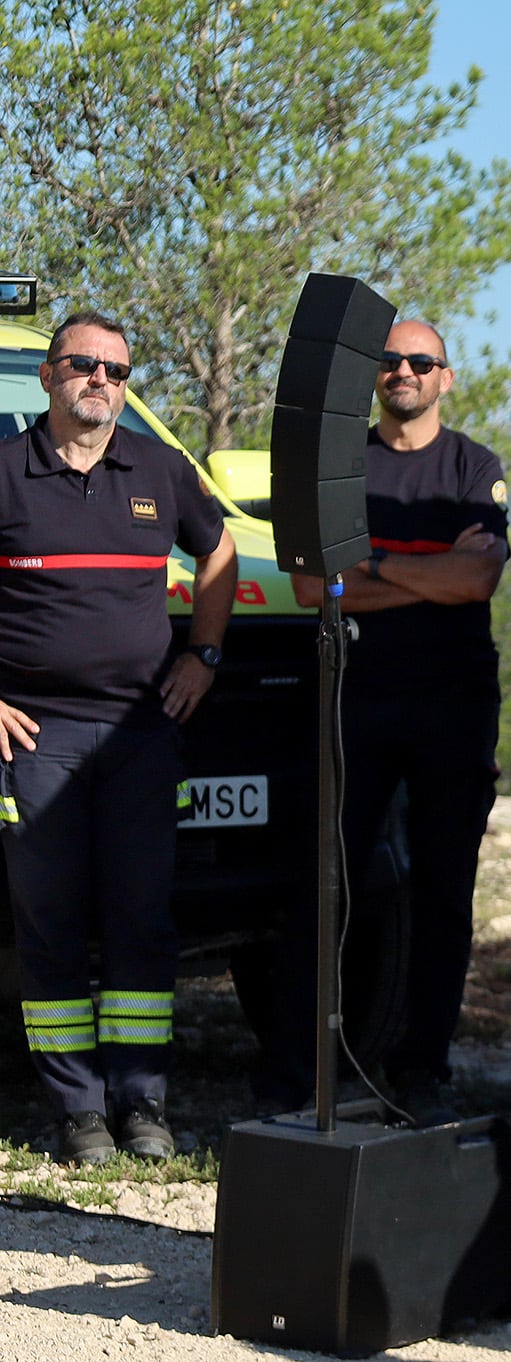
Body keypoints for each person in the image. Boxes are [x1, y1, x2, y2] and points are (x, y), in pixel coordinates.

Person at [0, 311, 236, 1162]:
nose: (101, 381)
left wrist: (203, 656)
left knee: (141, 919)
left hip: (142, 732)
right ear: (48, 377)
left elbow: (219, 556)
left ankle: (143, 1108)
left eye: (118, 371)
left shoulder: (162, 469)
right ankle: (78, 1113)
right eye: (83, 366)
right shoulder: (5, 472)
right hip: (38, 739)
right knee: (51, 922)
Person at [275, 320, 509, 1111]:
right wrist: (429, 574)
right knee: (326, 887)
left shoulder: (474, 467)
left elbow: (479, 581)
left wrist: (369, 564)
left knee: (444, 892)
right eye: (390, 361)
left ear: (446, 377)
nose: (402, 371)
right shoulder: (337, 466)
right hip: (356, 696)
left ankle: (422, 1068)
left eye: (420, 361)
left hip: (452, 705)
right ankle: (302, 1067)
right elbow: (313, 589)